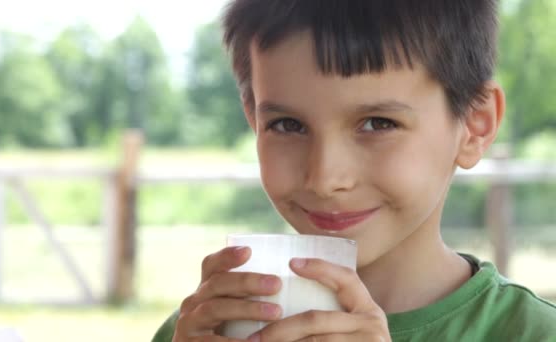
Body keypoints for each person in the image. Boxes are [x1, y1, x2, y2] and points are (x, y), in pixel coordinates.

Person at [153, 0, 556, 341]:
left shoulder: (532, 332)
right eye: (287, 125)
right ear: (254, 121)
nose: (325, 179)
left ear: (474, 125)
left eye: (378, 123)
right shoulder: (203, 329)